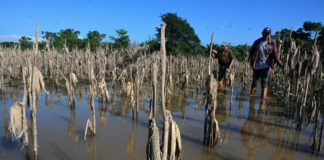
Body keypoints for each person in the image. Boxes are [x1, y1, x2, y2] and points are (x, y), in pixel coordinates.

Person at [249, 27, 284, 98]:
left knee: (264, 82)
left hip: (266, 66)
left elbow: (275, 55)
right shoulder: (257, 42)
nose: (266, 35)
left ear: (270, 34)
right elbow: (251, 52)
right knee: (254, 82)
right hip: (257, 65)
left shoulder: (272, 42)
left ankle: (263, 99)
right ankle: (252, 99)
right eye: (265, 34)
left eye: (268, 34)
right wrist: (251, 62)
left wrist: (280, 64)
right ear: (262, 33)